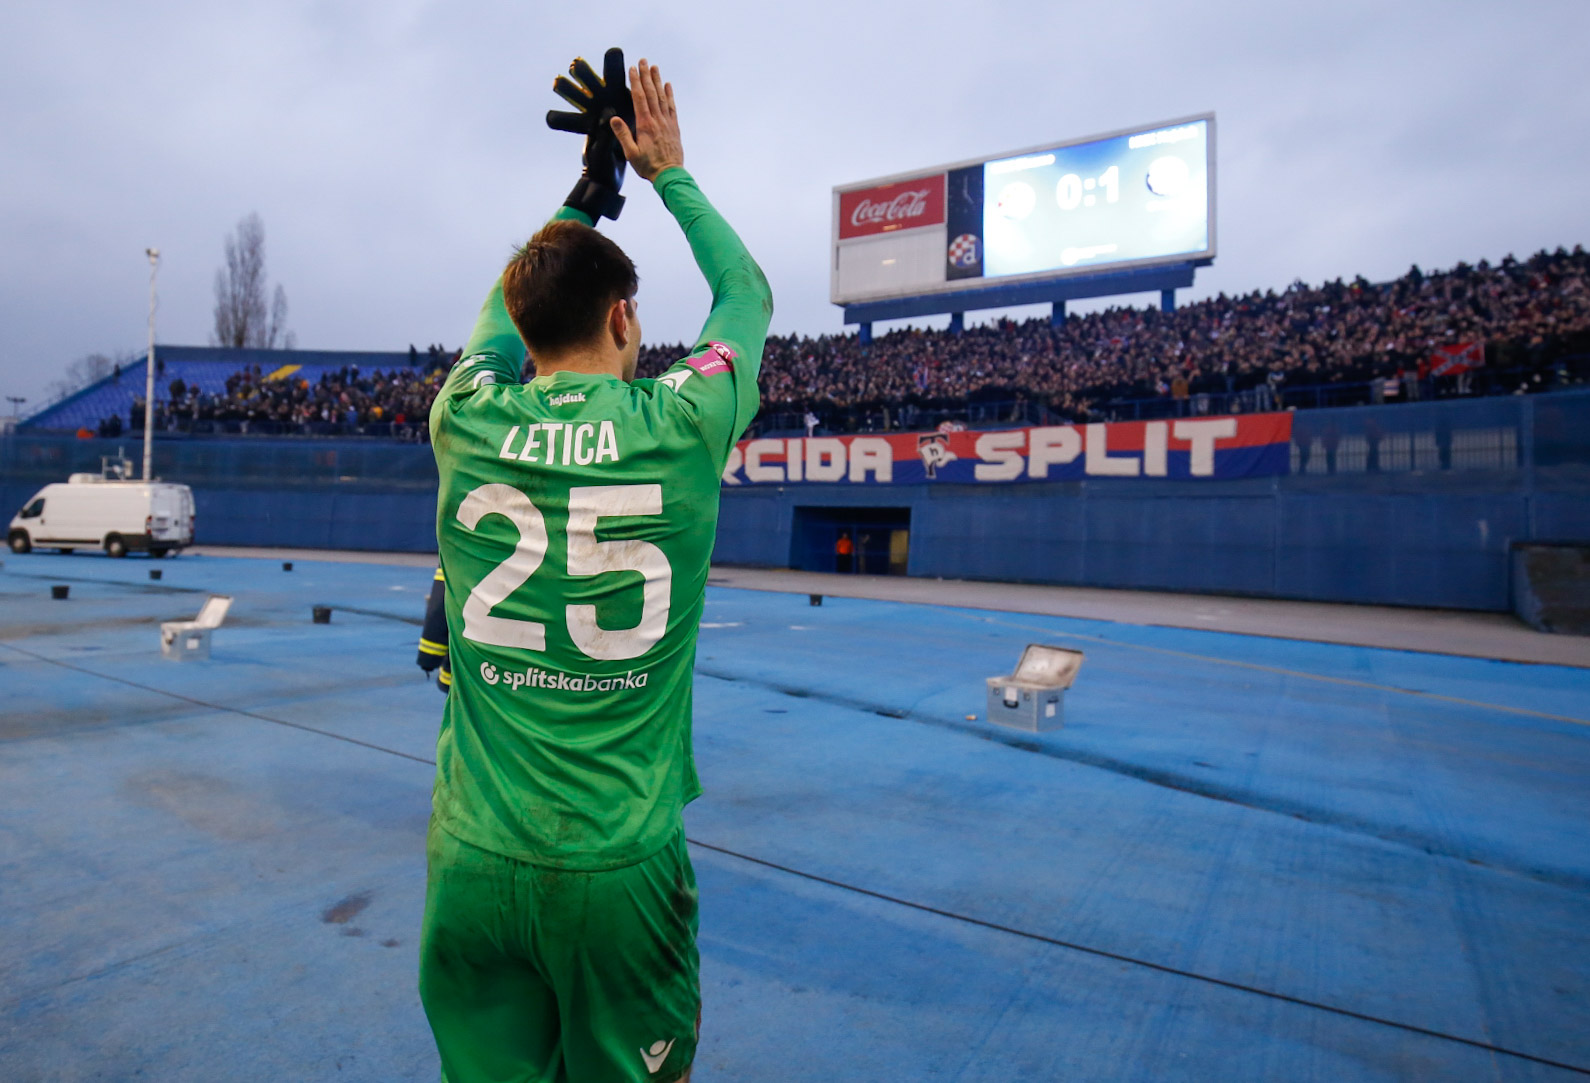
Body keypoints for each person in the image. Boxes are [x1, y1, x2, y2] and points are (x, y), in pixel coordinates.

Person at [417, 57, 771, 1083]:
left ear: (523, 332)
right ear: (624, 321)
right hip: (617, 867)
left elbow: (507, 300)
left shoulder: (464, 412)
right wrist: (666, 172)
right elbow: (745, 292)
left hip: (473, 858)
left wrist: (584, 196)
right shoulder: (684, 422)